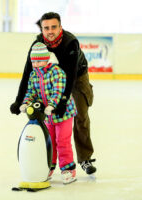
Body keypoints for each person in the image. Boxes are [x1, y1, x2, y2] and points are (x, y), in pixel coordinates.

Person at [10, 12, 96, 175]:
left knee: (80, 116)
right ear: (42, 29)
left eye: (54, 27)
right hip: (50, 79)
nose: (50, 31)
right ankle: (50, 161)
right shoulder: (38, 44)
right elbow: (28, 73)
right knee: (49, 120)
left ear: (60, 27)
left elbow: (70, 76)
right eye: (46, 28)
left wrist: (63, 101)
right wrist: (18, 100)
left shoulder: (70, 42)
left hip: (77, 77)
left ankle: (85, 158)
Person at [20, 42, 77, 184]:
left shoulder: (57, 72)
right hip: (47, 116)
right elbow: (31, 92)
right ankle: (49, 166)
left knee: (62, 141)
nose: (37, 64)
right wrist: (26, 102)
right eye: (34, 62)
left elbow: (58, 91)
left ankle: (68, 169)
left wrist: (52, 105)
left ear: (46, 59)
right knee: (49, 141)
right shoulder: (34, 75)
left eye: (39, 61)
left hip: (63, 114)